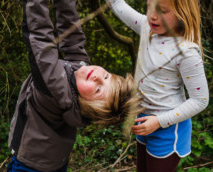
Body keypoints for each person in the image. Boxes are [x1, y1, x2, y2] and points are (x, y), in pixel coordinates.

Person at [7, 0, 142, 171]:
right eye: (107, 76)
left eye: (98, 89)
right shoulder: (81, 74)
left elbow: (40, 37)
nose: (98, 76)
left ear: (88, 105)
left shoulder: (56, 88)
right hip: (56, 160)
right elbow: (72, 35)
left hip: (29, 165)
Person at [105, 0, 209, 171]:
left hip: (167, 130)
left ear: (182, 13)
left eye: (162, 11)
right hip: (144, 122)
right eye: (149, 7)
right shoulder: (148, 29)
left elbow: (200, 101)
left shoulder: (187, 52)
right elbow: (117, 5)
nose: (152, 15)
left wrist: (159, 122)